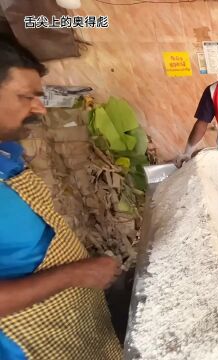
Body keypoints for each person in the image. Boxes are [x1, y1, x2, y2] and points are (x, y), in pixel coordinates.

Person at [0, 36, 122, 359]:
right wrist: (74, 274)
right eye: (26, 96)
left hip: (71, 319)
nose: (39, 107)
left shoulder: (7, 153)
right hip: (28, 339)